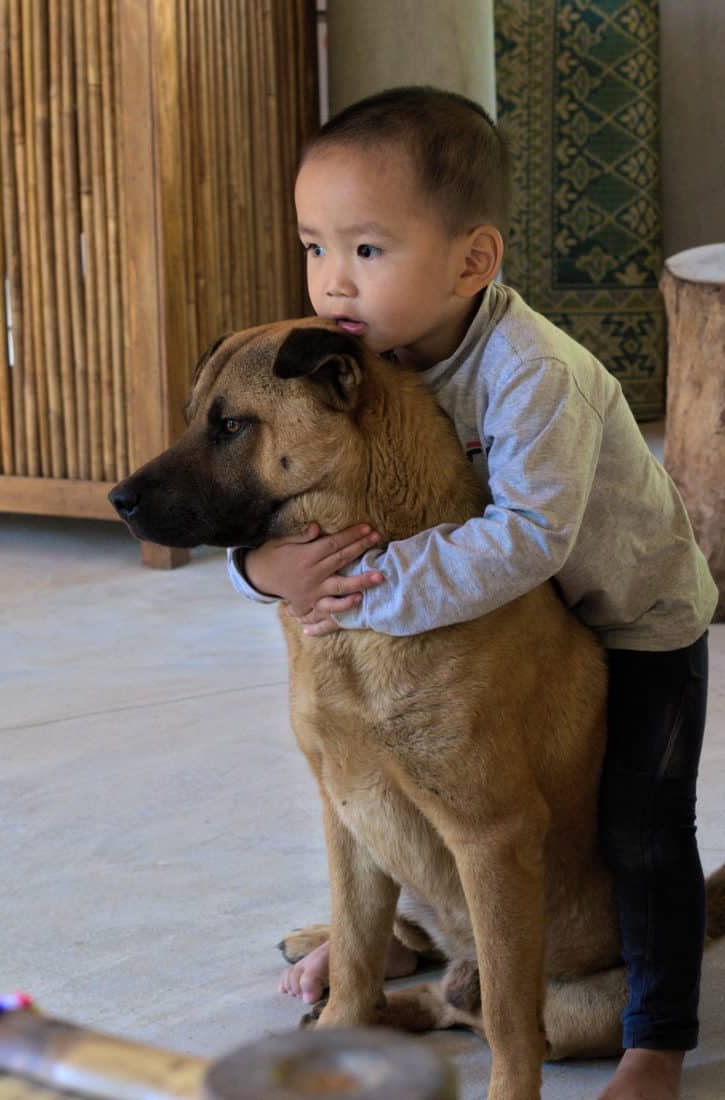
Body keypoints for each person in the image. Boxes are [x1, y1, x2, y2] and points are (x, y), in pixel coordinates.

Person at [226, 87, 717, 1100]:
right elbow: (307, 500)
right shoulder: (367, 363)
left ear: (471, 261)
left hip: (630, 614)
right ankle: (396, 941)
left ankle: (654, 1038)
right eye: (315, 246)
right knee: (413, 776)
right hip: (505, 621)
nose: (331, 281)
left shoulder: (532, 371)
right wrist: (264, 569)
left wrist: (363, 589)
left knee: (640, 818)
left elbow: (526, 537)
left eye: (366, 250)